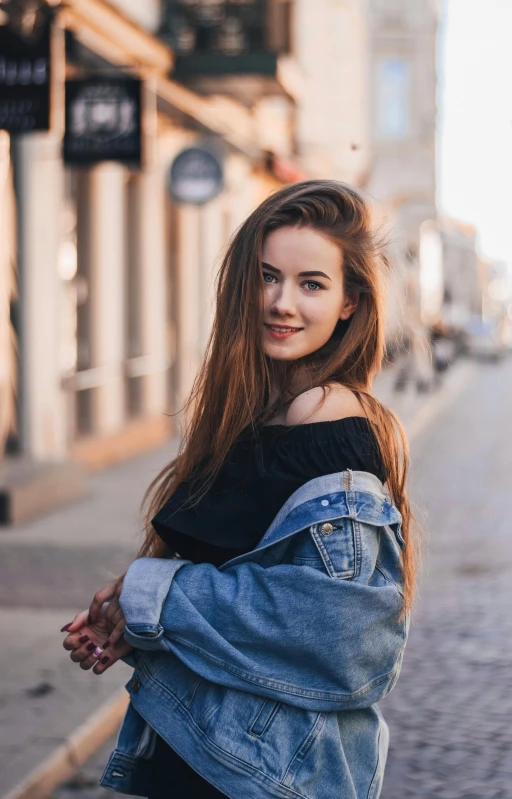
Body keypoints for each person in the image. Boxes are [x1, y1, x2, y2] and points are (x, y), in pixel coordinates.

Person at [60, 180, 416, 799]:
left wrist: (150, 595)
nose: (282, 302)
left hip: (265, 776)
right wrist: (135, 621)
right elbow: (240, 598)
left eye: (312, 284)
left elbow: (343, 637)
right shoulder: (259, 411)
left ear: (350, 303)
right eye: (268, 276)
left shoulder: (326, 419)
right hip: (215, 752)